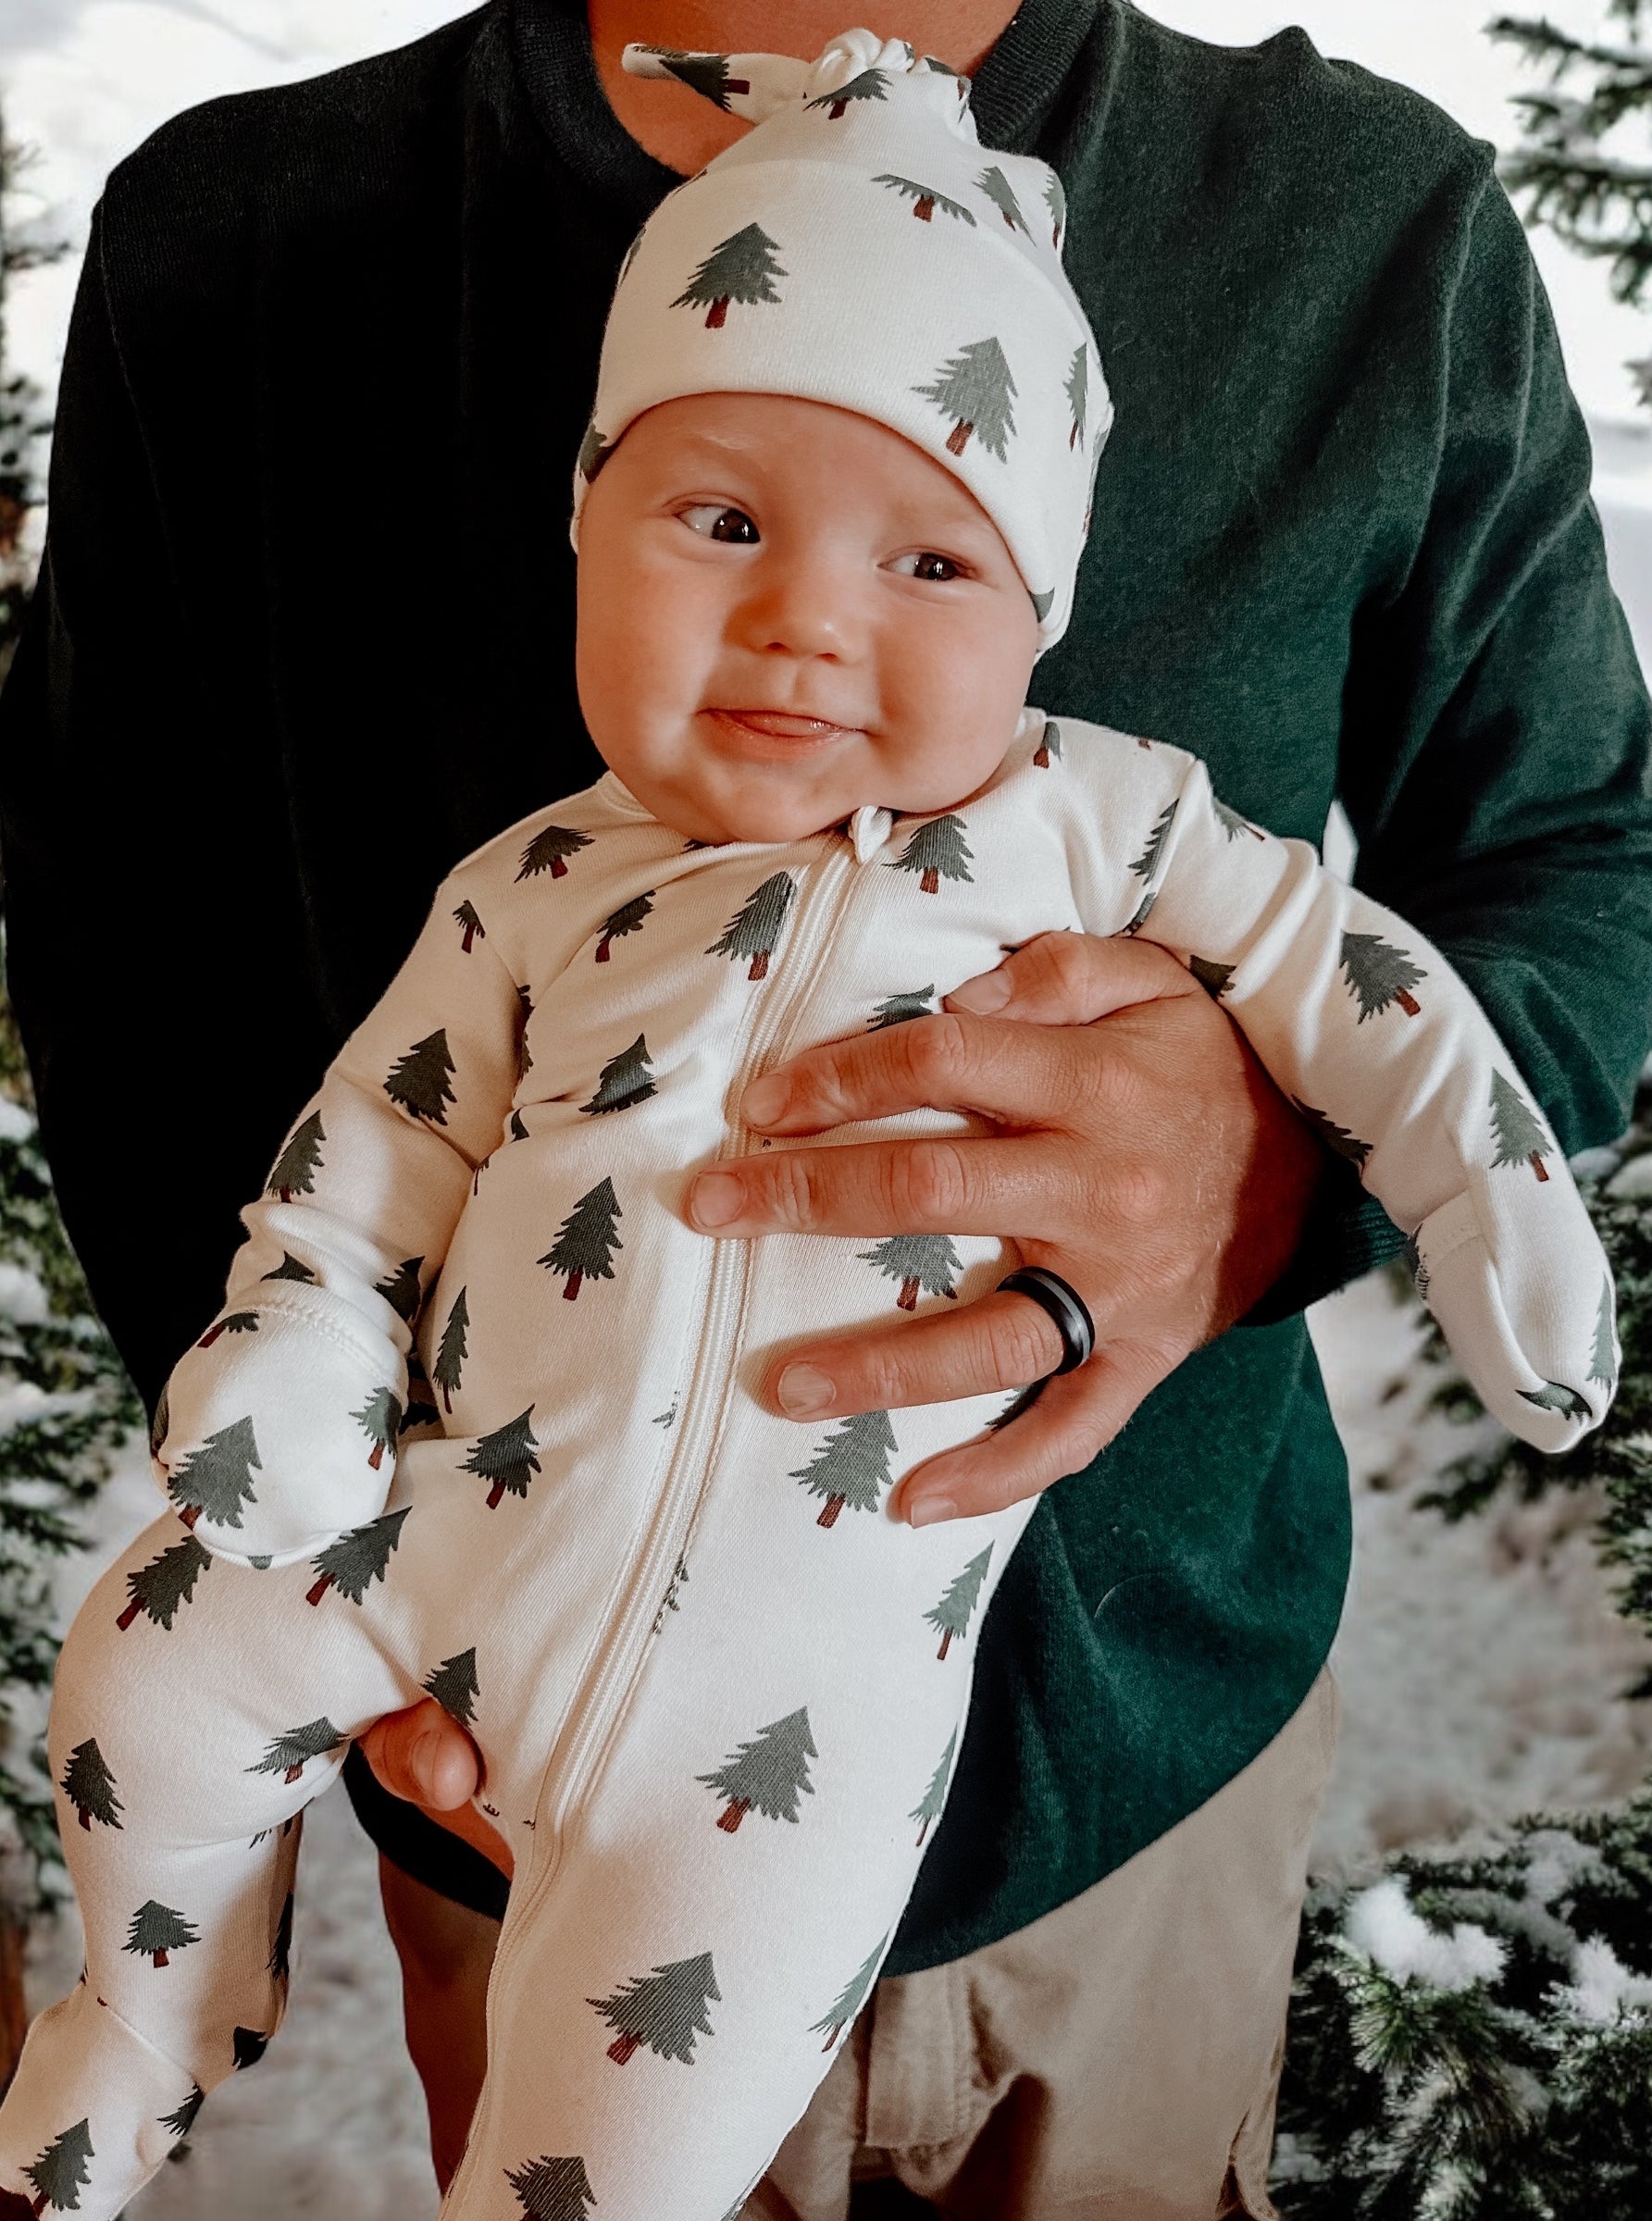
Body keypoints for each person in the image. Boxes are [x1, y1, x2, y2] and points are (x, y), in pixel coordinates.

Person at [0, 2, 1646, 2213]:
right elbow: (131, 967)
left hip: (1140, 1786)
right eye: (712, 525)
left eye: (931, 564)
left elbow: (1573, 861)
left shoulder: (1359, 227)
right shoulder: (237, 242)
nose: (799, 628)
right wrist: (293, 1459)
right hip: (470, 1706)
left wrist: (1274, 1180)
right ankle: (147, 2018)